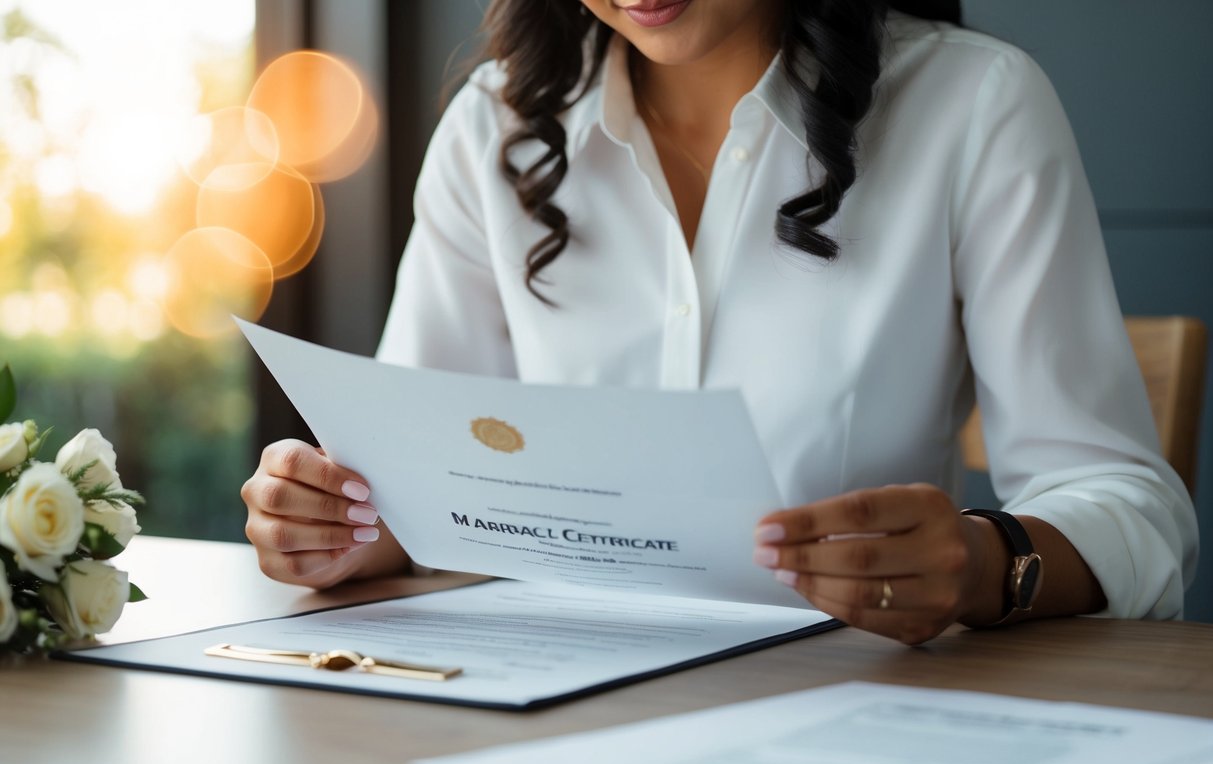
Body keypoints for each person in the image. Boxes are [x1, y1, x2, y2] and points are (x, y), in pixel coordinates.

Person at [241, 0, 1197, 645]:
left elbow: (1128, 506)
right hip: (551, 703)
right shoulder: (493, 129)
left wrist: (984, 562)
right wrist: (349, 525)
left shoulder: (973, 105)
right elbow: (415, 491)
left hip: (848, 718)